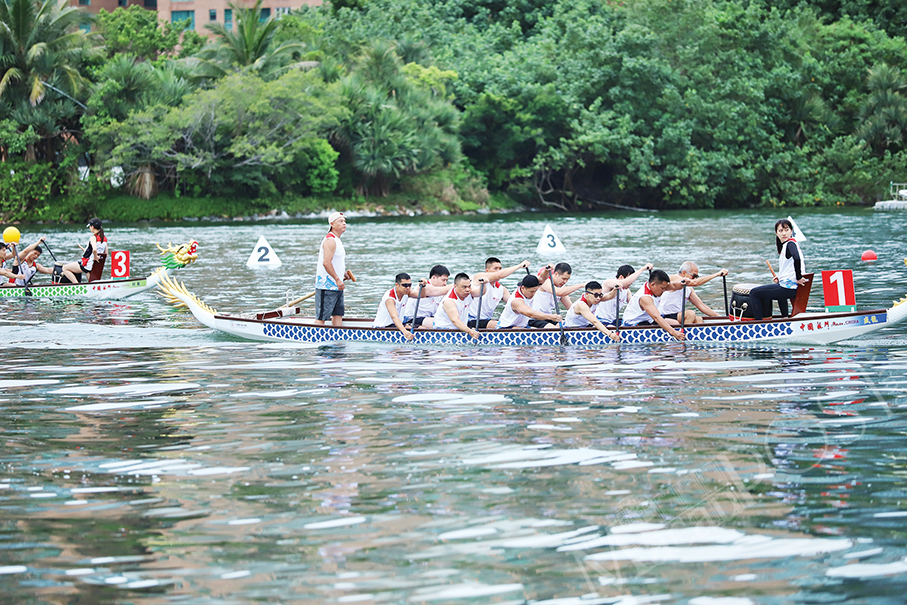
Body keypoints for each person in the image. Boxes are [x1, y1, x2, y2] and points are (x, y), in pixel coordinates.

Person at [749, 219, 808, 320]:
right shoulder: (788, 245)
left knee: (754, 293)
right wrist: (780, 277)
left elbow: (797, 258)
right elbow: (790, 267)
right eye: (780, 231)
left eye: (786, 229)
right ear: (776, 233)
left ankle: (759, 324)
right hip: (789, 286)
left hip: (790, 288)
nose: (784, 233)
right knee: (778, 285)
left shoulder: (790, 244)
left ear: (791, 231)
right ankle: (785, 318)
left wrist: (799, 277)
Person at [621, 269, 686, 340]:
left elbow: (673, 285)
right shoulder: (645, 298)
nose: (665, 291)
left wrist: (683, 283)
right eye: (663, 288)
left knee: (675, 323)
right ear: (652, 285)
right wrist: (674, 333)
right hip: (633, 325)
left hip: (647, 320)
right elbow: (656, 317)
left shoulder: (653, 285)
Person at [468, 258, 531, 329]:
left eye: (500, 268)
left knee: (519, 325)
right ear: (487, 271)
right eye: (495, 268)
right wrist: (519, 266)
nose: (498, 271)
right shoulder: (479, 278)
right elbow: (499, 275)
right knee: (510, 327)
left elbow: (515, 303)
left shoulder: (502, 289)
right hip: (472, 321)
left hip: (487, 320)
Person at [658, 262, 729, 324]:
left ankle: (696, 338)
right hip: (664, 315)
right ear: (684, 273)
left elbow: (701, 306)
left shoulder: (689, 289)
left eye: (697, 277)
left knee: (698, 319)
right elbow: (696, 282)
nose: (695, 279)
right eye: (694, 276)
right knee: (690, 314)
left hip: (676, 316)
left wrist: (720, 318)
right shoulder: (673, 278)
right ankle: (682, 336)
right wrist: (716, 274)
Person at [314, 212, 350, 327]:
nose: (344, 223)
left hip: (337, 285)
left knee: (338, 314)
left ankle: (337, 342)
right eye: (341, 221)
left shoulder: (337, 240)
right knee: (322, 316)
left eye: (344, 221)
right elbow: (326, 263)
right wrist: (337, 278)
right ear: (332, 224)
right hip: (327, 285)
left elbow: (334, 262)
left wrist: (342, 274)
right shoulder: (330, 240)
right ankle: (317, 338)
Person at [529, 262, 586, 329]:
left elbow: (571, 308)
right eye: (563, 278)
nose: (565, 281)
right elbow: (558, 292)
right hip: (534, 318)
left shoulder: (562, 288)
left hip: (549, 318)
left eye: (567, 279)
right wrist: (581, 285)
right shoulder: (546, 282)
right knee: (555, 329)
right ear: (556, 274)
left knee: (568, 325)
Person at [497, 275, 562, 329]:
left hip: (523, 325)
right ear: (523, 288)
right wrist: (551, 317)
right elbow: (531, 314)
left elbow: (542, 278)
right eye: (532, 291)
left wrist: (546, 270)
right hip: (506, 328)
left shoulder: (528, 291)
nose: (533, 294)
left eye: (535, 291)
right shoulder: (516, 301)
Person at [432, 273, 481, 339]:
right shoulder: (449, 301)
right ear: (455, 286)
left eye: (469, 286)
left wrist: (484, 284)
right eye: (464, 287)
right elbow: (455, 320)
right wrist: (470, 331)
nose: (467, 289)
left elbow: (481, 292)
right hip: (443, 333)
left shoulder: (468, 293)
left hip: (458, 330)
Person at [60, 218, 107, 284]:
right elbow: (105, 254)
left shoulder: (93, 237)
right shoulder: (105, 239)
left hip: (87, 265)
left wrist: (95, 257)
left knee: (65, 268)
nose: (90, 229)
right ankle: (91, 285)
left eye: (90, 227)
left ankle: (77, 285)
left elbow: (94, 249)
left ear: (92, 227)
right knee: (87, 272)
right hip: (95, 265)